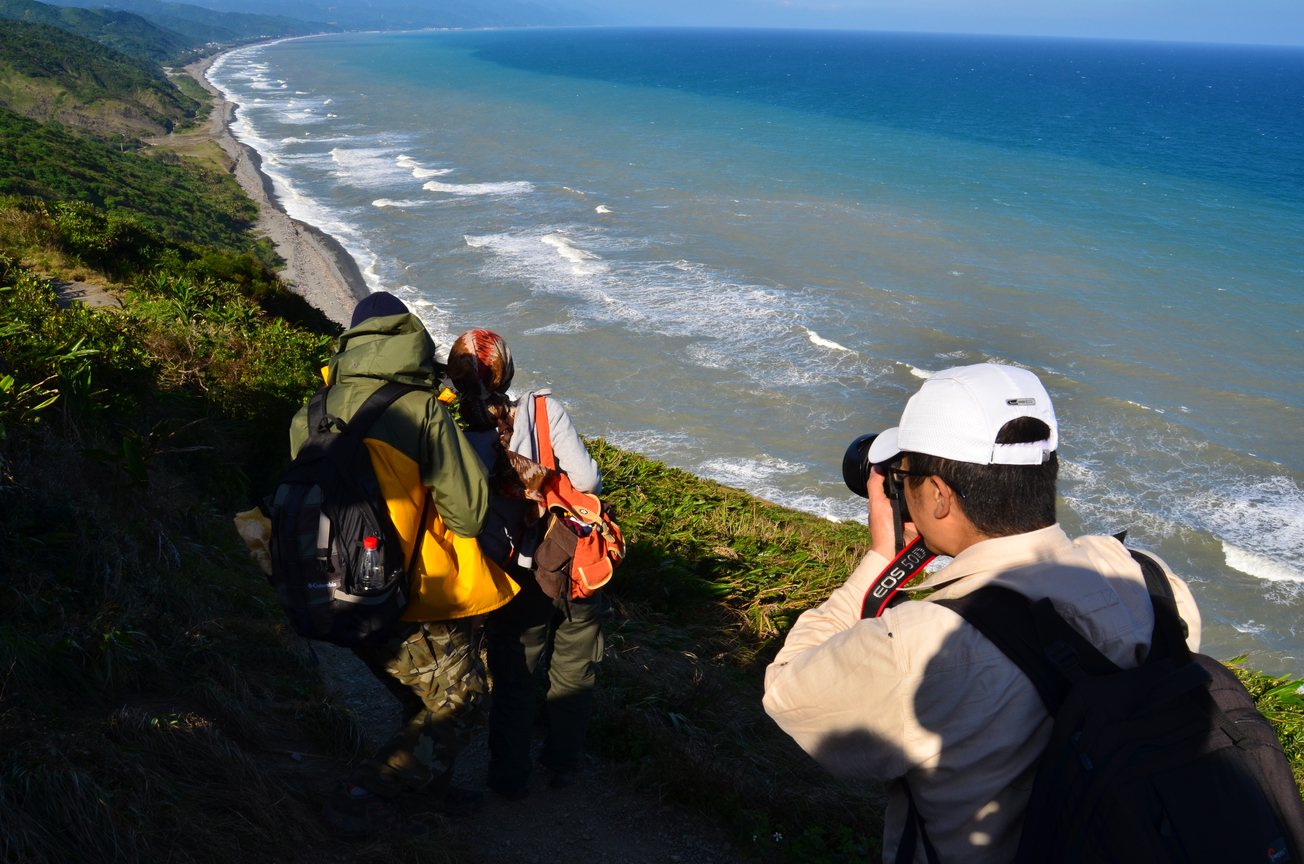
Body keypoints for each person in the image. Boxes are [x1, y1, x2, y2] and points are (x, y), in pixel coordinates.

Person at [762, 363, 1202, 863]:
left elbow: (787, 693)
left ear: (941, 496)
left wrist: (883, 560)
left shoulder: (924, 644)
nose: (899, 490)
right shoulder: (1150, 582)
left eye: (904, 477)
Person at [299, 293, 520, 837]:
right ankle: (365, 793)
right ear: (408, 339)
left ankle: (428, 787)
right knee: (463, 697)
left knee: (418, 694)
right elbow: (468, 515)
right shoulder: (419, 408)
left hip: (334, 584)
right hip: (416, 591)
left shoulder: (313, 410)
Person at [442, 329, 604, 800]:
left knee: (515, 673)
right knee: (575, 663)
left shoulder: (451, 433)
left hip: (513, 571)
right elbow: (589, 480)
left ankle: (509, 776)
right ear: (506, 370)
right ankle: (562, 764)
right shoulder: (543, 411)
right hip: (571, 558)